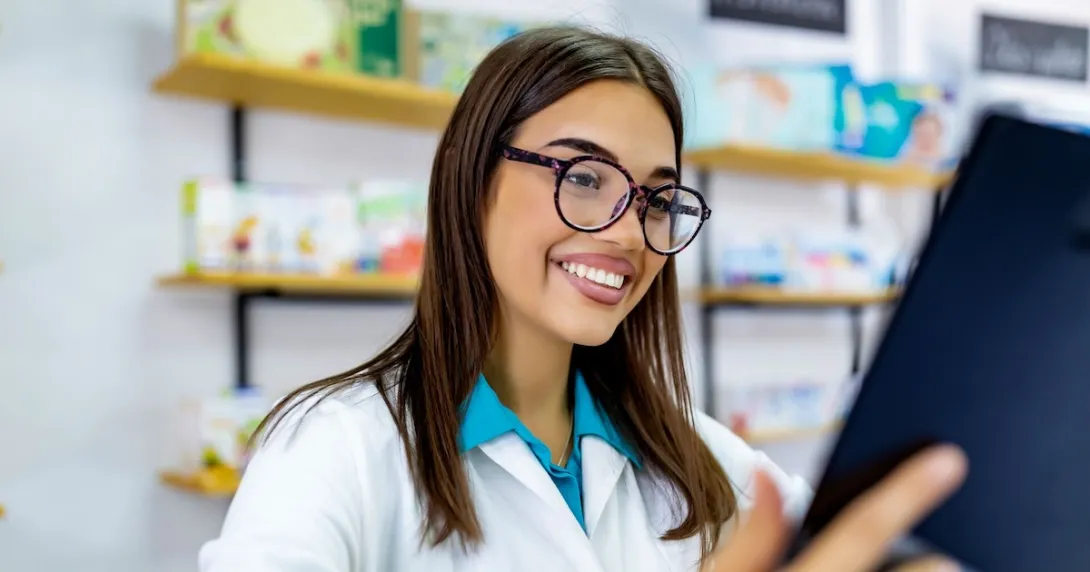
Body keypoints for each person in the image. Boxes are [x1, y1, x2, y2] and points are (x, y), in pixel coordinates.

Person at [198, 26, 967, 572]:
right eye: (585, 177)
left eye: (656, 199)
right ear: (473, 183)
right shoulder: (333, 450)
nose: (629, 234)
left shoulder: (696, 460)